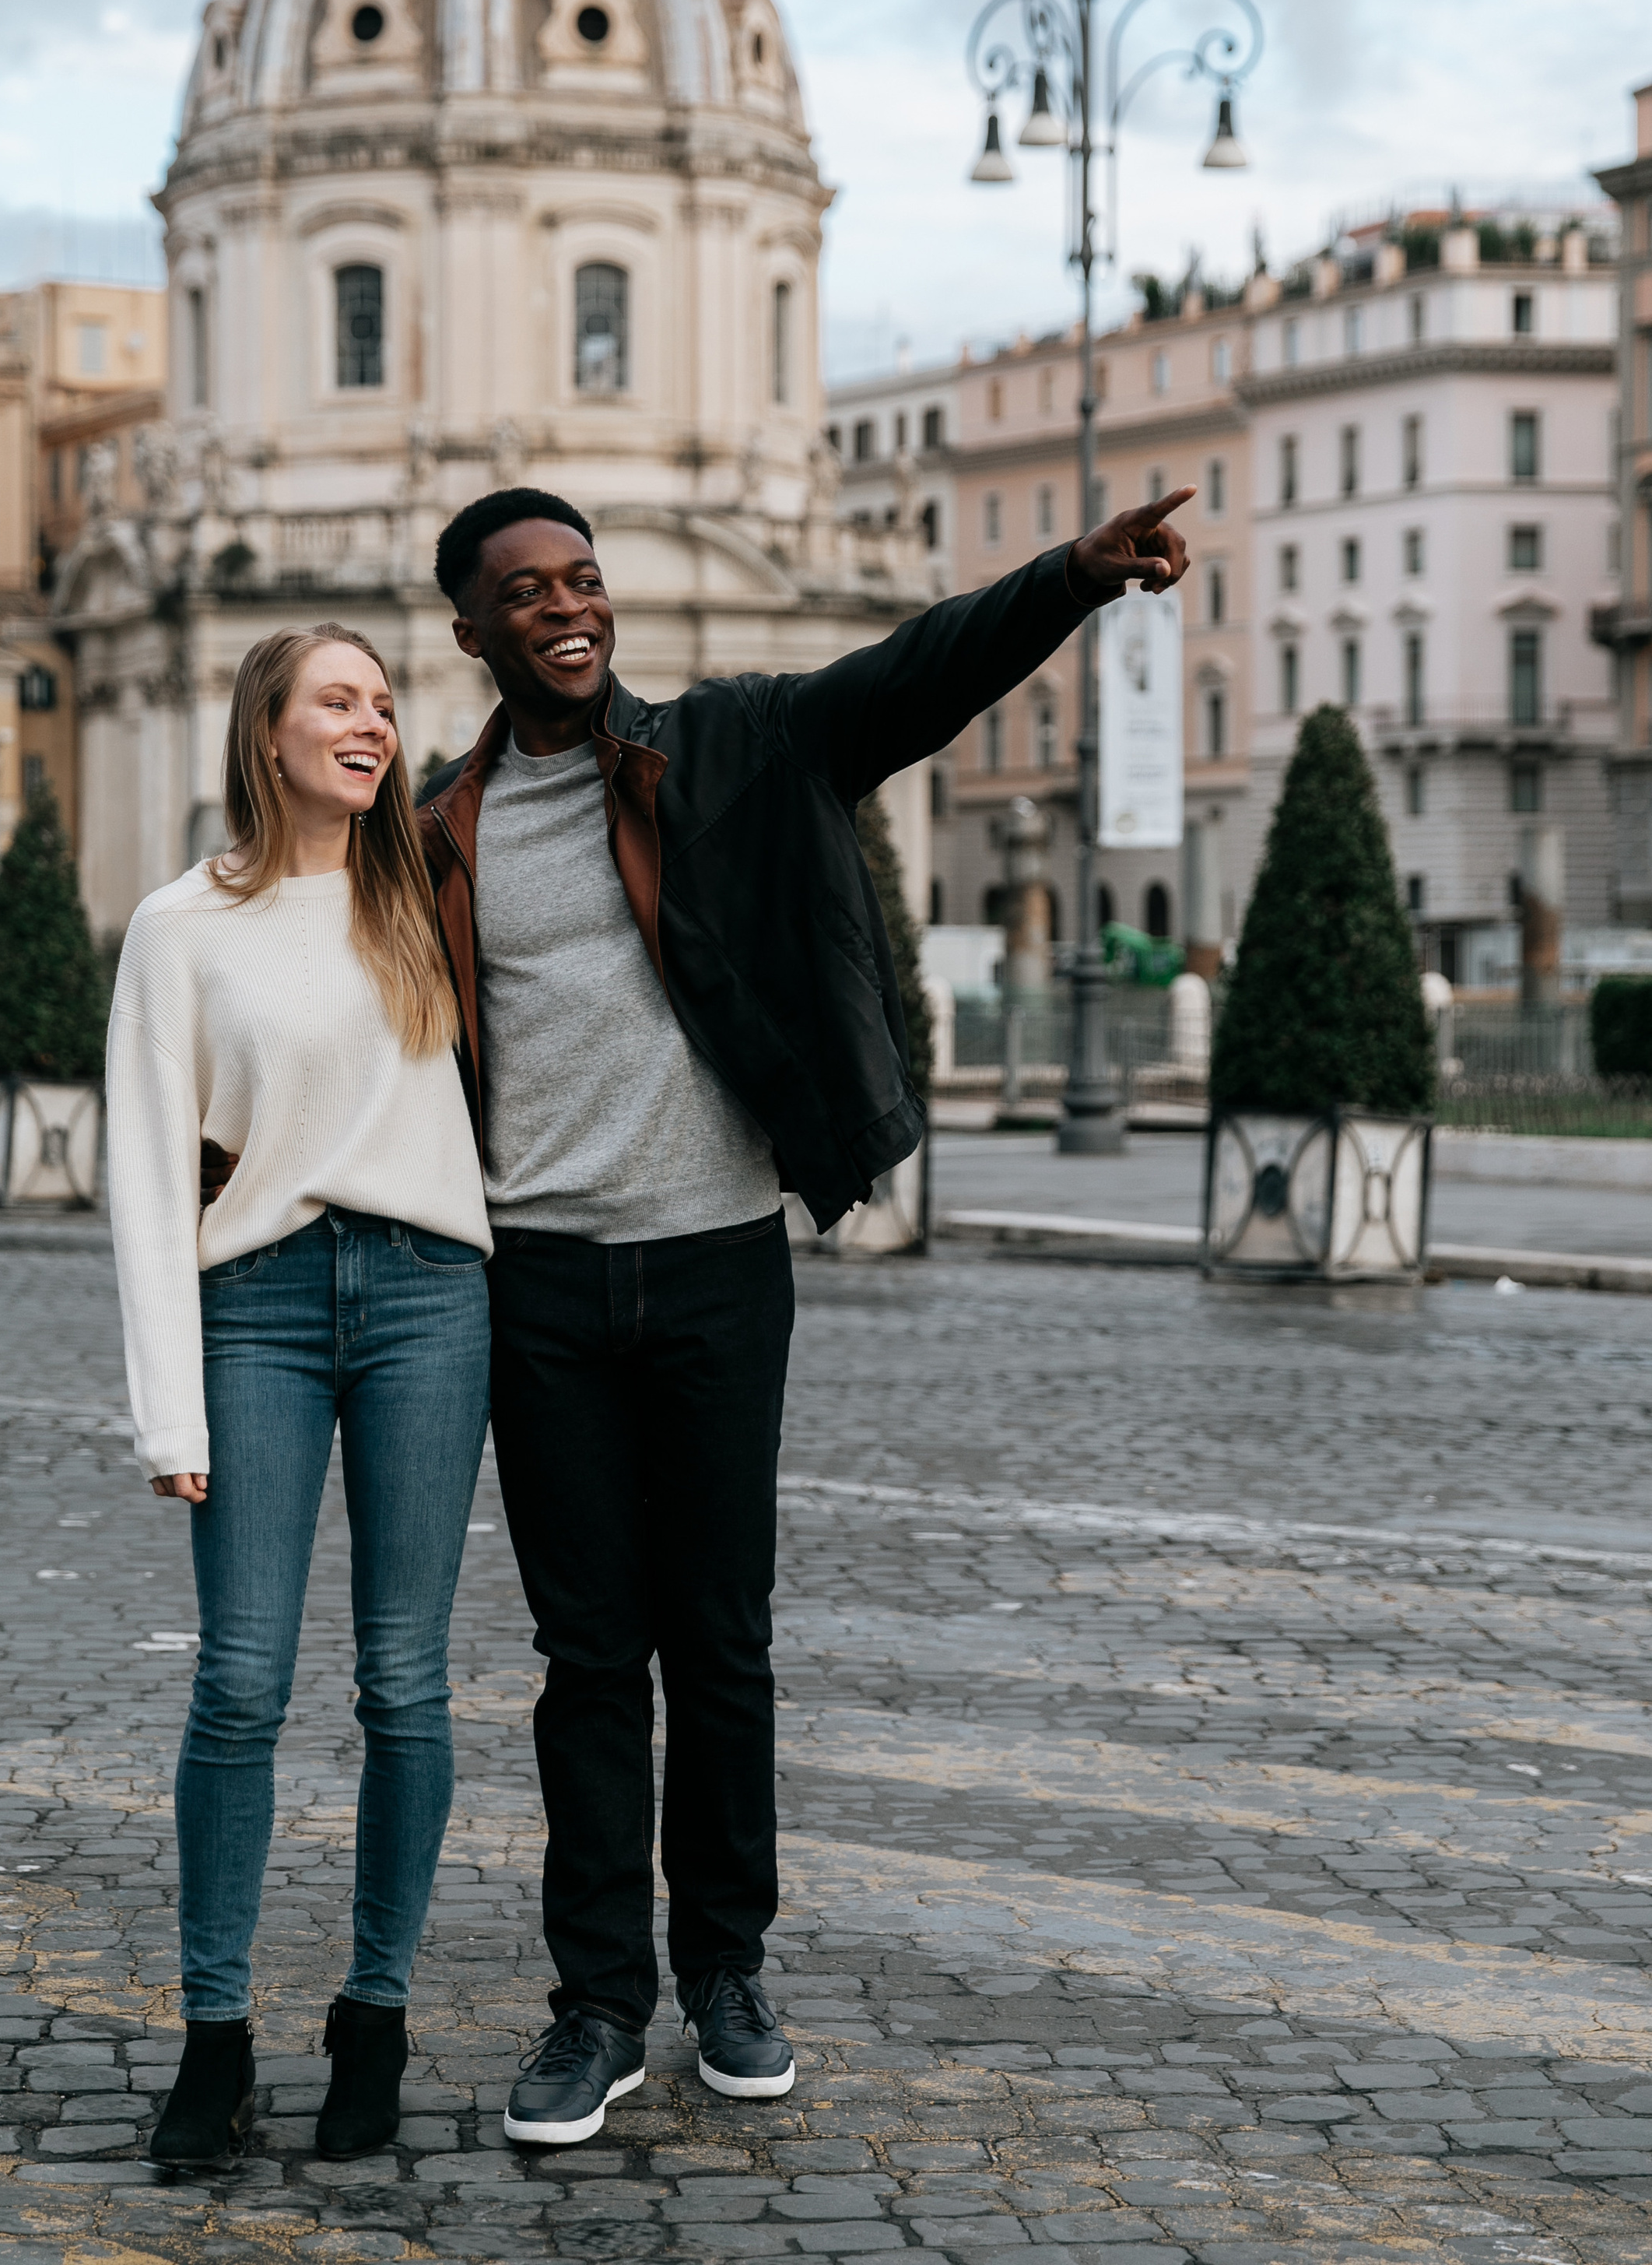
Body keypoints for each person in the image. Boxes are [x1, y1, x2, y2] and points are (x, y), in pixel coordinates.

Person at [417, 485, 1191, 2147]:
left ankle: (727, 1974)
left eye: (583, 579)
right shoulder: (440, 830)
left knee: (720, 1636)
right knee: (581, 1654)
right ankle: (595, 2003)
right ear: (469, 632)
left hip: (710, 1259)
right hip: (533, 1276)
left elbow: (909, 681)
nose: (565, 608)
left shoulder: (733, 749)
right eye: (523, 592)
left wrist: (1066, 580)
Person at [107, 621, 493, 2168]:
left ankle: (373, 2019)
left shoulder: (427, 895)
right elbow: (145, 1176)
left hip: (427, 1301)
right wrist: (169, 1414)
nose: (372, 722)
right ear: (266, 731)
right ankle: (213, 2036)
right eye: (338, 700)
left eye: (386, 702)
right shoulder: (179, 927)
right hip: (253, 1305)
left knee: (405, 1681)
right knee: (242, 1685)